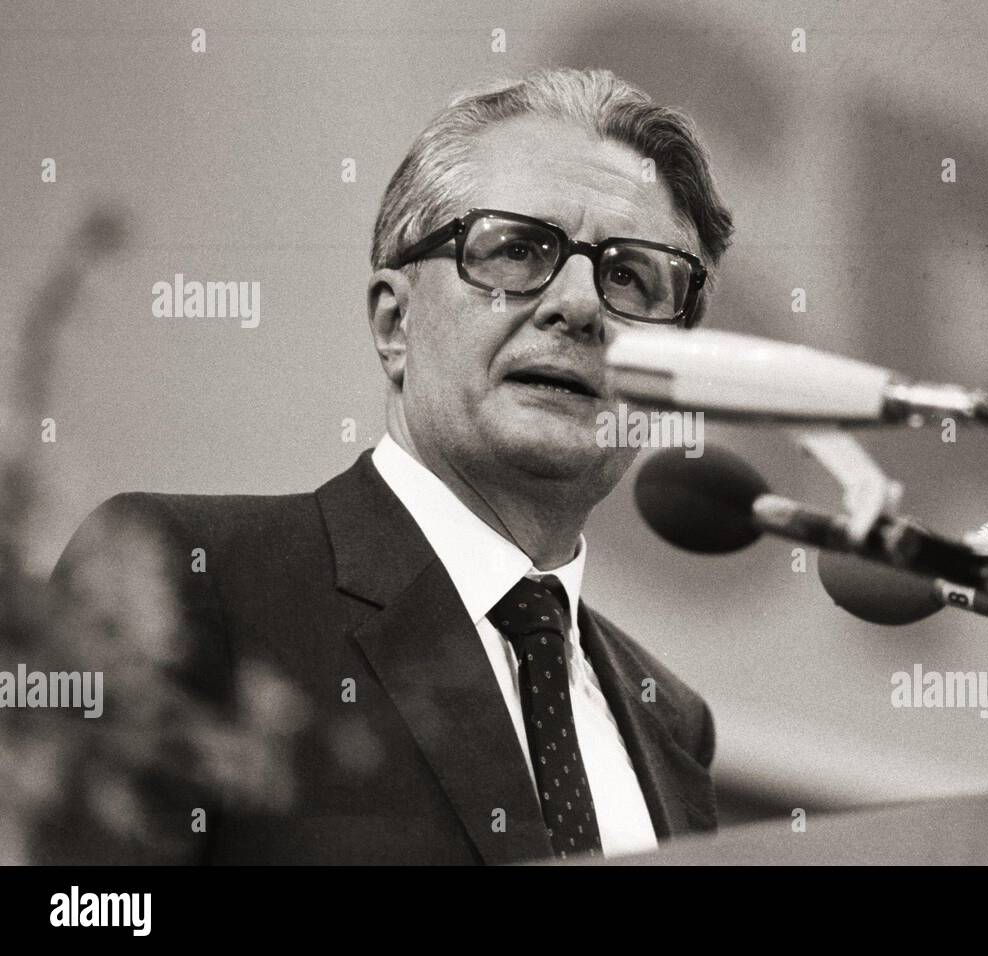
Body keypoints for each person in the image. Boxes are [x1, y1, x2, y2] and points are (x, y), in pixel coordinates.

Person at [45, 67, 734, 865]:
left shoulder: (673, 726)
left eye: (627, 276)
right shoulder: (193, 575)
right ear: (394, 320)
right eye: (518, 249)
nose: (578, 306)